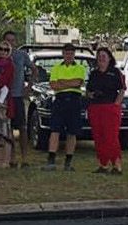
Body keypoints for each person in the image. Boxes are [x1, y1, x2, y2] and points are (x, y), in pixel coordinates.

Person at [41, 43, 86, 172]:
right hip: (60, 100)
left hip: (74, 100)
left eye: (71, 54)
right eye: (67, 53)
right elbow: (53, 85)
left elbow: (78, 82)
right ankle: (51, 160)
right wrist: (70, 83)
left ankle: (68, 161)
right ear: (63, 54)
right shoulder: (56, 68)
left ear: (74, 55)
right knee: (55, 130)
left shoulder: (80, 68)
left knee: (72, 132)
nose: (69, 56)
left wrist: (62, 82)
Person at [86, 47, 126, 174]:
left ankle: (116, 165)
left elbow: (122, 89)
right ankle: (102, 164)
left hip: (110, 107)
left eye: (104, 56)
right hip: (95, 107)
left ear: (109, 58)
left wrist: (116, 104)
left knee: (111, 136)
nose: (101, 58)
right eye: (99, 56)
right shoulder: (94, 74)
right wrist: (91, 95)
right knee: (98, 136)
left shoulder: (115, 72)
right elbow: (88, 90)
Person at [3, 30, 37, 168]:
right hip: (4, 97)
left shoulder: (22, 55)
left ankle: (25, 158)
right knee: (8, 128)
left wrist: (29, 86)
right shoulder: (0, 55)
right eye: (8, 40)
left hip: (17, 96)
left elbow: (34, 69)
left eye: (12, 40)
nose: (10, 43)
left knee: (22, 128)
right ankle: (12, 157)